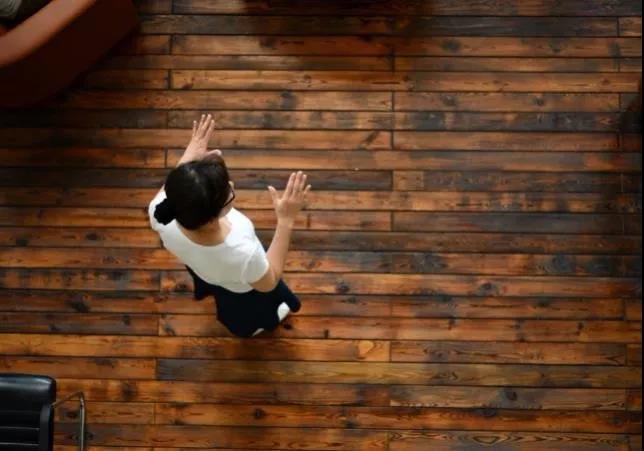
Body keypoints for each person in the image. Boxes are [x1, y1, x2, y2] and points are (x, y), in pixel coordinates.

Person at [148, 114, 311, 338]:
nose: (231, 185)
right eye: (228, 190)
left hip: (204, 268)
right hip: (241, 288)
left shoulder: (159, 213)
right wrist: (286, 221)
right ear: (215, 214)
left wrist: (189, 163)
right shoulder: (243, 254)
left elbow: (173, 190)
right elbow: (269, 282)